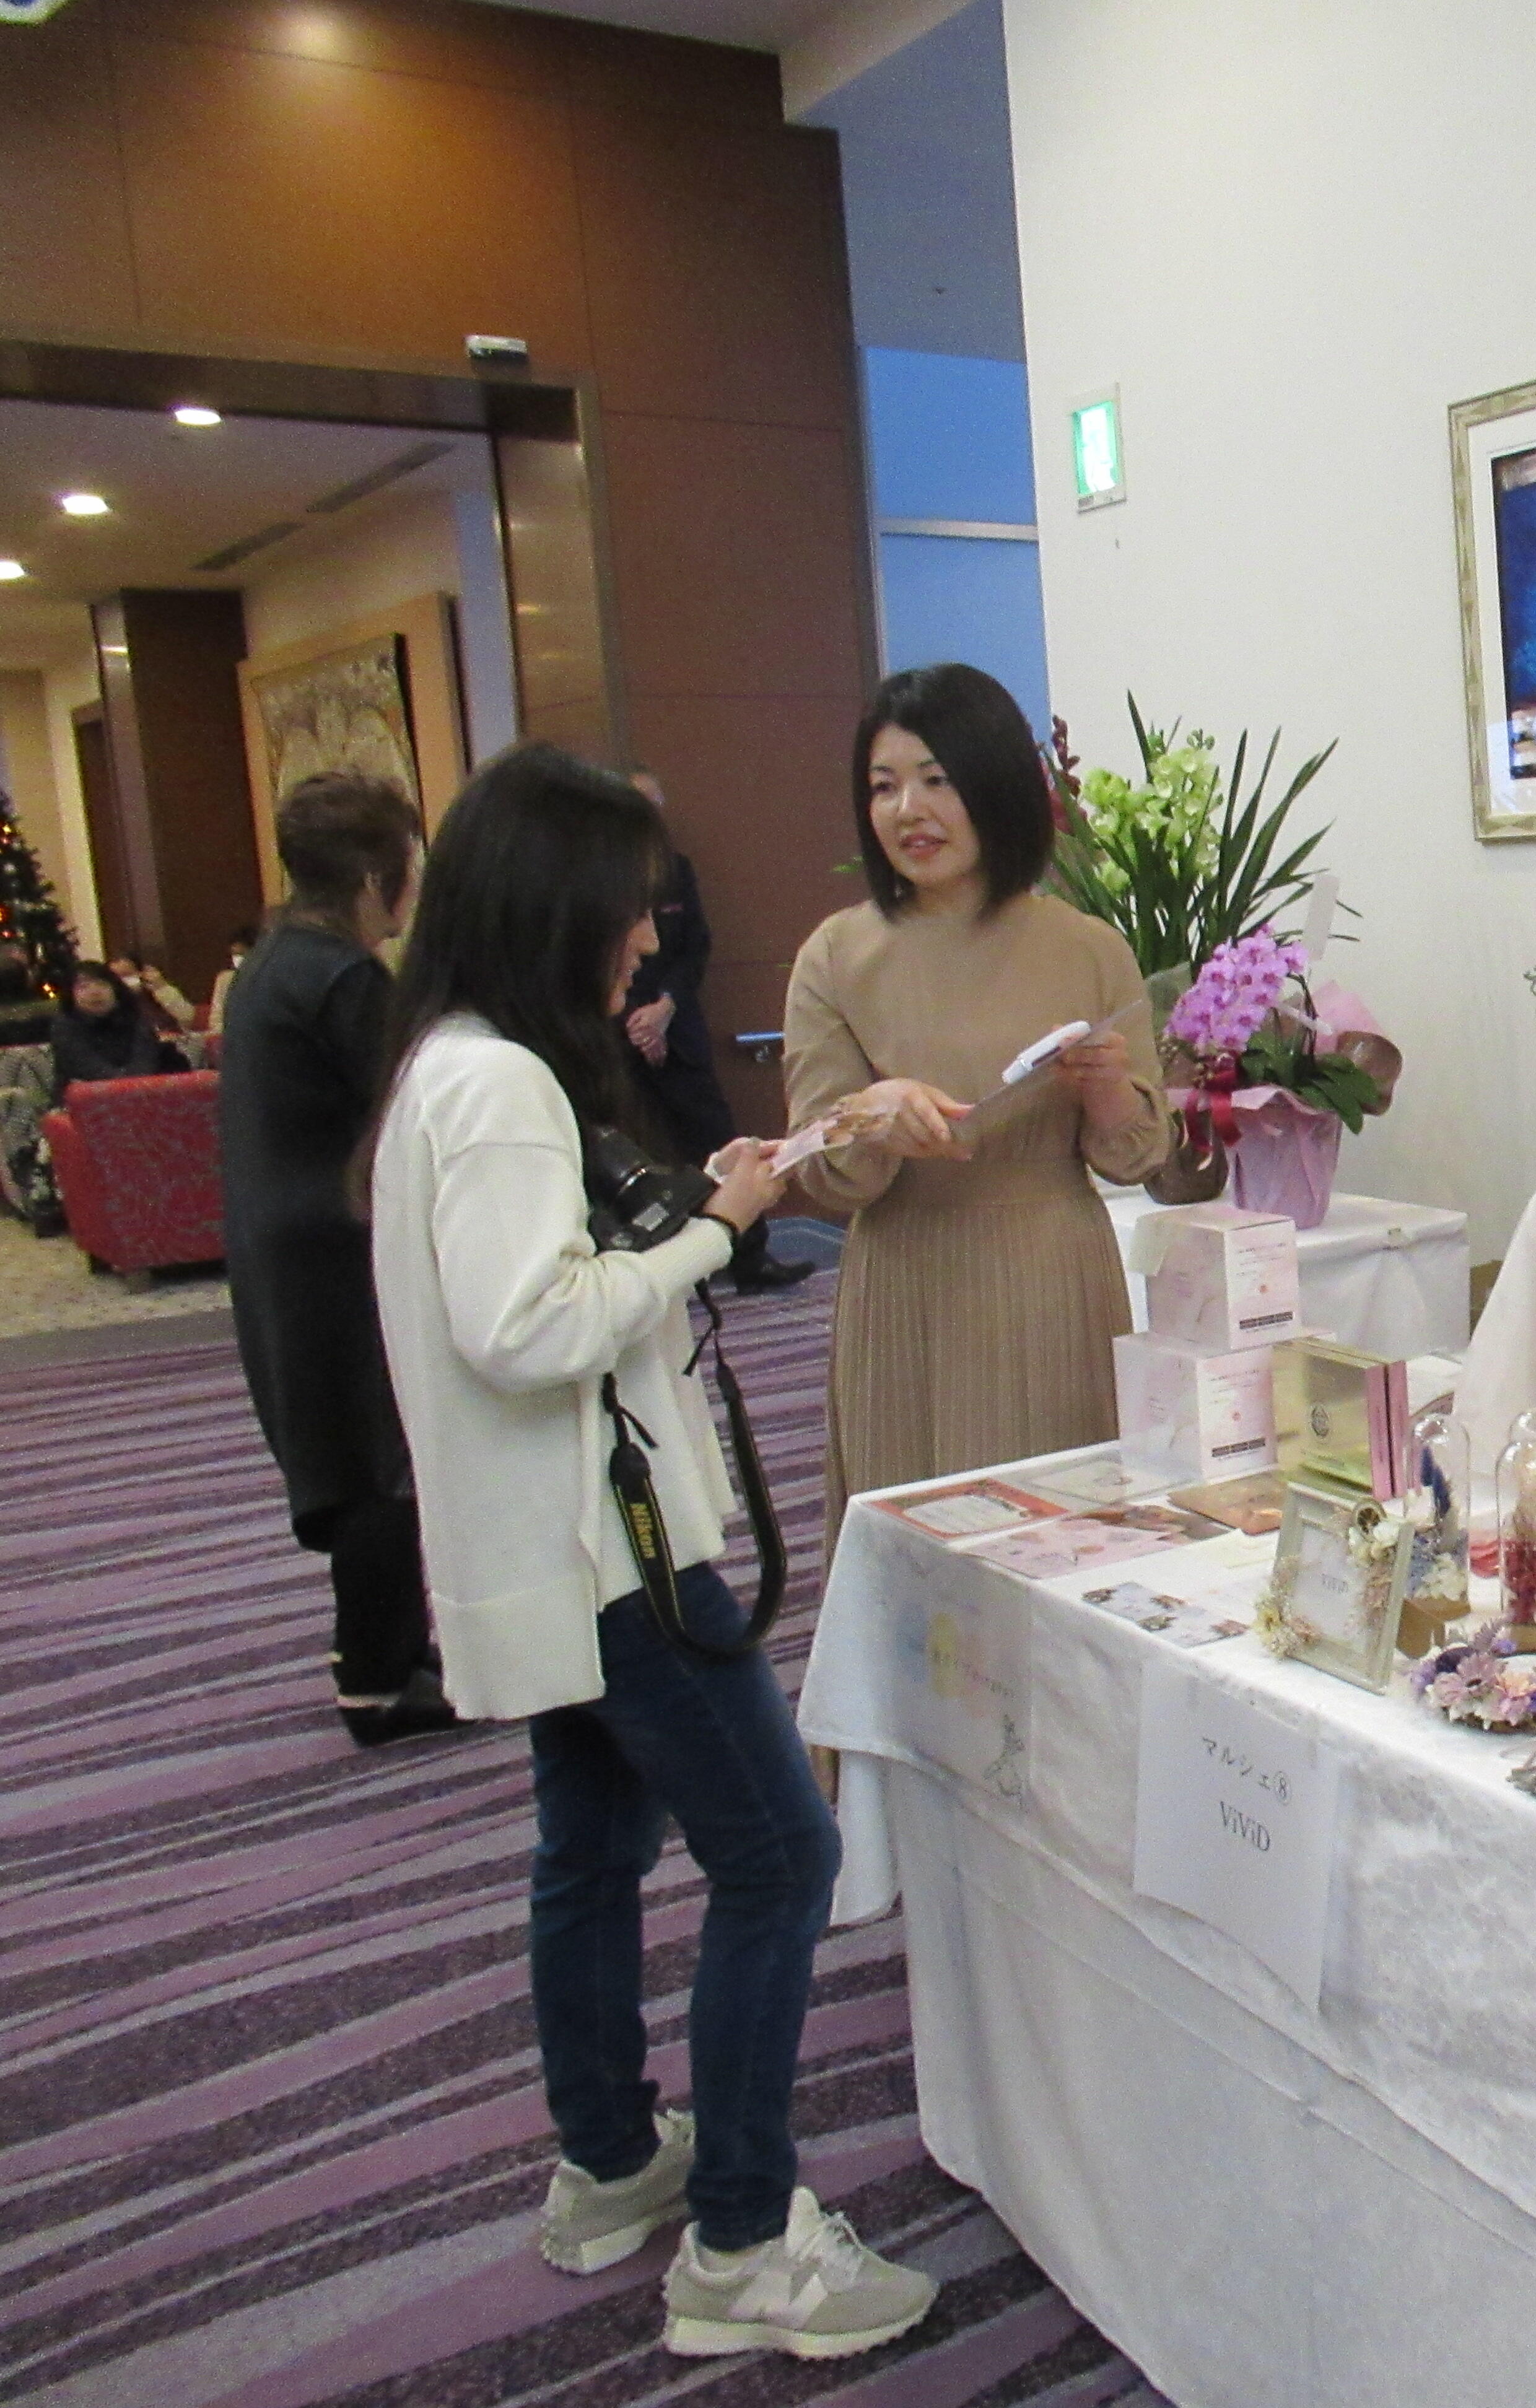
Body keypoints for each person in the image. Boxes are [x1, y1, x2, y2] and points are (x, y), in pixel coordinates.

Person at [367, 743, 933, 2360]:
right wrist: (713, 1235)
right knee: (783, 1861)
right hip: (607, 1553)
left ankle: (613, 2162)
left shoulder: (452, 1063)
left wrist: (699, 1199)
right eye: (630, 907)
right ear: (552, 903)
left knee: (594, 1846)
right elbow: (529, 1327)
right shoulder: (499, 1087)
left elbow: (532, 1282)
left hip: (552, 1549)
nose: (644, 936)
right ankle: (744, 2240)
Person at [781, 663, 1171, 1533]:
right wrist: (874, 1116)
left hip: (1051, 1275)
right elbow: (818, 1163)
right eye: (883, 787)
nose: (907, 811)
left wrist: (1109, 1090)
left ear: (995, 786)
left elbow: (1138, 1156)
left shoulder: (1091, 948)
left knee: (1064, 1537)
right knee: (919, 1537)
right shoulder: (836, 956)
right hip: (906, 1279)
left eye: (936, 781)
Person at [225, 774, 456, 1747]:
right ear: (373, 877)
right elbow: (415, 1104)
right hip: (333, 1250)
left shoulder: (274, 961)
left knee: (350, 1449)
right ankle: (376, 1678)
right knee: (374, 1461)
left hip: (283, 1243)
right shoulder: (342, 980)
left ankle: (391, 1648)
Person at [616, 773, 811, 1296]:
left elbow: (694, 946)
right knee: (634, 1149)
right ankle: (657, 1268)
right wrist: (636, 1020)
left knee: (718, 1136)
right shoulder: (597, 875)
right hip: (620, 1036)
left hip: (678, 1028)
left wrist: (664, 1009)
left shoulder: (676, 870)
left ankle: (750, 1257)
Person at [48, 961, 183, 1098]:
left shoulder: (135, 1018)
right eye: (84, 987)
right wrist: (124, 1088)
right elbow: (89, 1068)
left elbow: (145, 1060)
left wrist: (131, 1089)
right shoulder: (64, 1026)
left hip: (142, 1093)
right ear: (71, 996)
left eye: (102, 985)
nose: (95, 992)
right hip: (86, 1098)